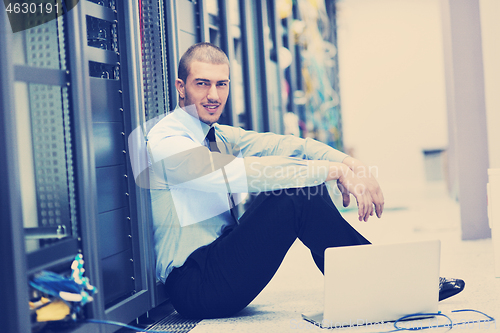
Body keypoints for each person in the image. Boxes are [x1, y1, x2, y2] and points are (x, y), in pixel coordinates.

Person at [146, 42, 464, 319]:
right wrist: (333, 172)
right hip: (196, 286)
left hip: (223, 262)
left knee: (303, 184)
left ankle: (381, 282)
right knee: (298, 190)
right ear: (181, 86)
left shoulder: (220, 135)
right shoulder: (167, 142)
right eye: (202, 84)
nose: (214, 95)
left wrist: (348, 162)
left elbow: (291, 146)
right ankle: (388, 283)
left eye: (222, 84)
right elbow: (241, 173)